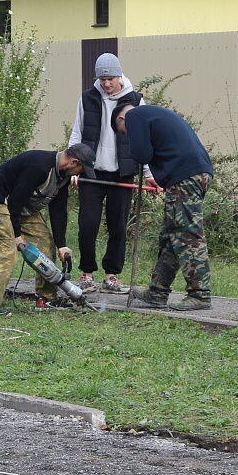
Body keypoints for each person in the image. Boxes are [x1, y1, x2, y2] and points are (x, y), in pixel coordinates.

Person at [114, 104, 214, 312]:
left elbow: (141, 153)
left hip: (185, 176)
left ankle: (200, 294)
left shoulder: (133, 115)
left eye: (124, 133)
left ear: (121, 120)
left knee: (187, 235)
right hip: (194, 173)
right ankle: (157, 292)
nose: (128, 136)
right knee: (170, 236)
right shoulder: (152, 114)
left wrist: (136, 150)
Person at [0, 143, 96, 318]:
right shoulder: (40, 167)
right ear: (73, 162)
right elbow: (14, 202)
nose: (80, 174)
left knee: (46, 243)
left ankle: (46, 299)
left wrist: (61, 245)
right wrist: (17, 237)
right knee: (8, 252)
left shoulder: (62, 176)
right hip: (0, 200)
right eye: (81, 169)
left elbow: (58, 210)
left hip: (22, 205)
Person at [67, 53, 143, 294]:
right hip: (91, 172)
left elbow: (145, 139)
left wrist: (149, 173)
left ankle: (112, 276)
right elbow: (77, 134)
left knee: (117, 225)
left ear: (119, 76)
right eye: (102, 79)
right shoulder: (87, 99)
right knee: (87, 224)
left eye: (110, 79)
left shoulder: (136, 100)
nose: (106, 84)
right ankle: (87, 274)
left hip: (122, 173)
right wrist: (72, 167)